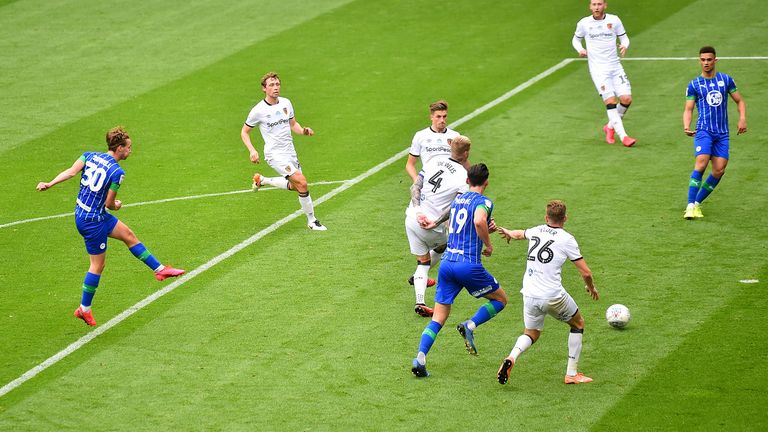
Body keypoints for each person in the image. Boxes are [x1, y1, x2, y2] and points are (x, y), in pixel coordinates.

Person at [36, 126, 186, 326]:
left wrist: (50, 183)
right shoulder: (117, 172)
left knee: (128, 235)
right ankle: (84, 309)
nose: (131, 150)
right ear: (119, 148)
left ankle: (159, 269)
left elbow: (71, 172)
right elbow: (109, 204)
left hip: (87, 214)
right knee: (97, 266)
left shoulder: (88, 156)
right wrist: (116, 205)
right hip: (93, 221)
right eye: (129, 147)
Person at [411, 163, 506, 378]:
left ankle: (420, 357)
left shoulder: (457, 202)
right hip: (468, 265)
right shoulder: (484, 201)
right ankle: (470, 325)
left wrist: (484, 225)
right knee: (500, 300)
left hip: (447, 264)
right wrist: (488, 244)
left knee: (438, 317)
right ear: (487, 182)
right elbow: (479, 220)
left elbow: (459, 224)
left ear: (467, 181)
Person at [495, 200, 599, 385]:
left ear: (546, 217)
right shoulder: (567, 239)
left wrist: (509, 232)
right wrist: (591, 287)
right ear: (565, 218)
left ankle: (512, 356)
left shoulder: (537, 230)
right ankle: (572, 374)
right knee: (578, 323)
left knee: (531, 333)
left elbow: (520, 234)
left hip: (529, 294)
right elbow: (586, 272)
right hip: (552, 296)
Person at [240, 71, 327, 231]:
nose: (275, 88)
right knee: (302, 182)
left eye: (277, 84)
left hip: (290, 152)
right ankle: (312, 221)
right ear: (264, 89)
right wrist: (252, 150)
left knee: (296, 186)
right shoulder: (258, 110)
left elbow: (293, 124)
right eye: (271, 85)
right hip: (275, 154)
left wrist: (304, 131)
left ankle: (262, 180)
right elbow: (244, 131)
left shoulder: (286, 103)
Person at [405, 135, 471, 317]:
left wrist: (418, 210)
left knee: (423, 262)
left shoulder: (435, 161)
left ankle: (420, 298)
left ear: (451, 148)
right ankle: (420, 277)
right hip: (431, 227)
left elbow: (415, 187)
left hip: (411, 217)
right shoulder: (463, 177)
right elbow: (455, 207)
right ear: (466, 153)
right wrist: (436, 222)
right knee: (448, 244)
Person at [682, 46, 747, 220]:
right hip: (704, 131)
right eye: (703, 60)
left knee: (719, 170)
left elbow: (740, 101)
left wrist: (742, 118)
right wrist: (686, 125)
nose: (706, 63)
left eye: (709, 60)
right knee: (701, 164)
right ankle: (689, 206)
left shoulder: (726, 80)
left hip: (722, 133)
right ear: (699, 61)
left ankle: (696, 204)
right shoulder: (694, 84)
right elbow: (688, 109)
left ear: (715, 60)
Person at [572, 0, 636, 147]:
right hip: (598, 69)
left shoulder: (614, 20)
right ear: (590, 6)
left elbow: (624, 38)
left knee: (626, 99)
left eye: (599, 4)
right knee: (611, 101)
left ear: (605, 5)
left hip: (615, 66)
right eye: (594, 4)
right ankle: (624, 136)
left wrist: (624, 46)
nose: (596, 7)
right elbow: (575, 40)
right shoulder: (584, 23)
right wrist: (580, 50)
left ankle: (609, 127)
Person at [404, 100, 461, 183]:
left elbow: (462, 161)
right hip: (429, 181)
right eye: (438, 116)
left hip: (450, 182)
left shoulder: (455, 136)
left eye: (444, 116)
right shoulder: (421, 135)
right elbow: (410, 164)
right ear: (431, 117)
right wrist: (416, 181)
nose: (442, 120)